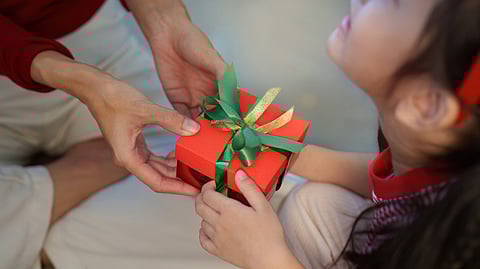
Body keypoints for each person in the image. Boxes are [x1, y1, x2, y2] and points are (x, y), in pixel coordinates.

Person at [195, 0, 480, 268]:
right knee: (315, 204)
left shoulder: (453, 247)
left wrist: (267, 257)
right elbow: (387, 178)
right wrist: (285, 152)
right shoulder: (448, 167)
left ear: (425, 104)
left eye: (393, 1)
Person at [0, 0, 223, 268]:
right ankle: (72, 188)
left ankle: (34, 227)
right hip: (57, 73)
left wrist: (167, 22)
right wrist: (87, 85)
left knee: (214, 202)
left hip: (99, 51)